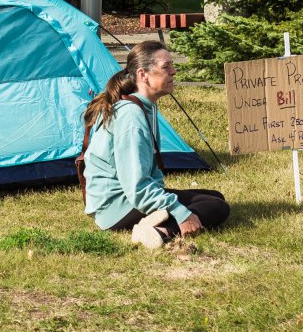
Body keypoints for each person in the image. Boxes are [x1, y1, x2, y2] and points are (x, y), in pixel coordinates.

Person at [83, 40, 230, 249]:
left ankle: (157, 220)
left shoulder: (143, 106)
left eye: (172, 65)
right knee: (217, 207)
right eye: (166, 67)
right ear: (143, 74)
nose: (174, 71)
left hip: (123, 200)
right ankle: (161, 231)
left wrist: (167, 201)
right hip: (117, 207)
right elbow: (137, 187)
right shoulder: (131, 116)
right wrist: (180, 213)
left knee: (214, 197)